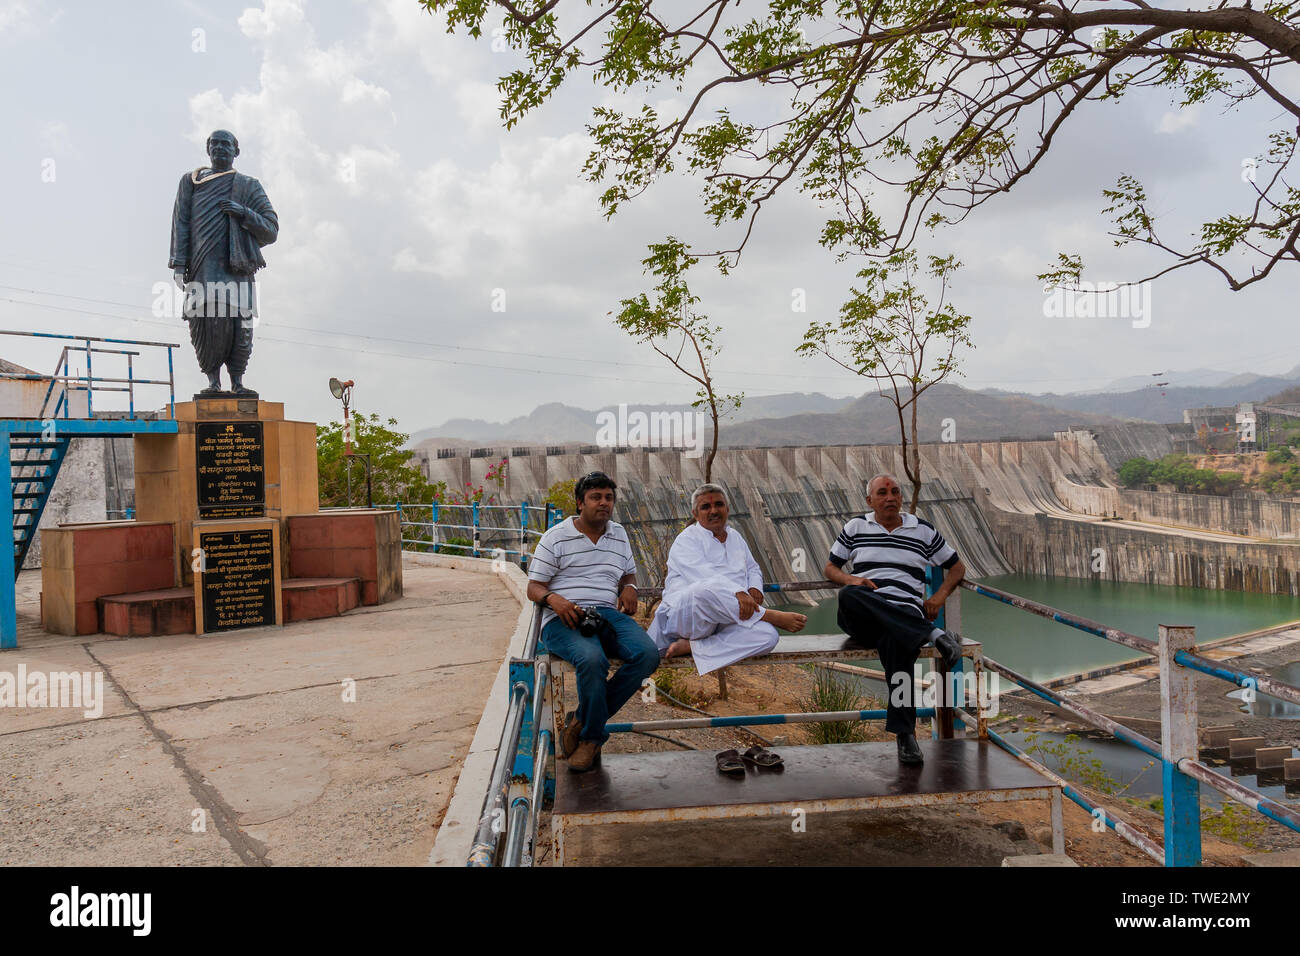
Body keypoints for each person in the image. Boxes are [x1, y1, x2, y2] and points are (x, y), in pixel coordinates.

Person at [824, 474, 966, 765]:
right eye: (882, 492)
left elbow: (956, 567)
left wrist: (938, 597)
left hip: (905, 614)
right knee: (849, 595)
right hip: (864, 613)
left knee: (897, 644)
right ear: (870, 500)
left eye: (895, 492)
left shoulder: (922, 530)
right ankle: (934, 635)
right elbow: (830, 568)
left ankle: (906, 736)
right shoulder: (855, 527)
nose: (890, 497)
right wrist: (852, 579)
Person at [526, 471, 659, 772]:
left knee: (647, 655)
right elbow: (533, 586)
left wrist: (630, 587)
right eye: (596, 497)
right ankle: (593, 738)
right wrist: (554, 599)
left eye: (608, 498)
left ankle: (583, 719)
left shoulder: (619, 534)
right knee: (592, 659)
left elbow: (628, 573)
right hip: (565, 615)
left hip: (605, 613)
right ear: (580, 503)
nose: (604, 503)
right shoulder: (555, 537)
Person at [650, 483, 807, 673]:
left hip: (724, 619)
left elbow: (752, 568)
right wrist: (739, 592)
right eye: (705, 507)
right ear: (695, 513)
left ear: (728, 508)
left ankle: (693, 647)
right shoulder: (686, 540)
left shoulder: (735, 537)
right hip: (687, 618)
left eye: (719, 504)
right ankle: (769, 615)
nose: (714, 511)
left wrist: (754, 588)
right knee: (703, 590)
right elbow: (707, 577)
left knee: (767, 636)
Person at [169, 129, 278, 397]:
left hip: (237, 269)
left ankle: (238, 382)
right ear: (207, 149)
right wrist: (179, 264)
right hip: (202, 267)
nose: (219, 148)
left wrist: (243, 212)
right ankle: (213, 383)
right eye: (214, 143)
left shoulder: (248, 186)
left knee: (240, 326)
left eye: (225, 143)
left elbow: (271, 229)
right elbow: (180, 224)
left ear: (236, 151)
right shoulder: (190, 182)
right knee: (206, 324)